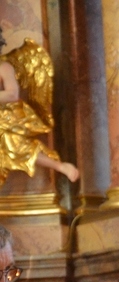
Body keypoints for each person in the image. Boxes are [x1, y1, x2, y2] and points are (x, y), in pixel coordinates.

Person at [0, 29, 79, 185]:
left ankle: (60, 166)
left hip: (5, 116)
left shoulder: (4, 67)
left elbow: (12, 94)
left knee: (14, 144)